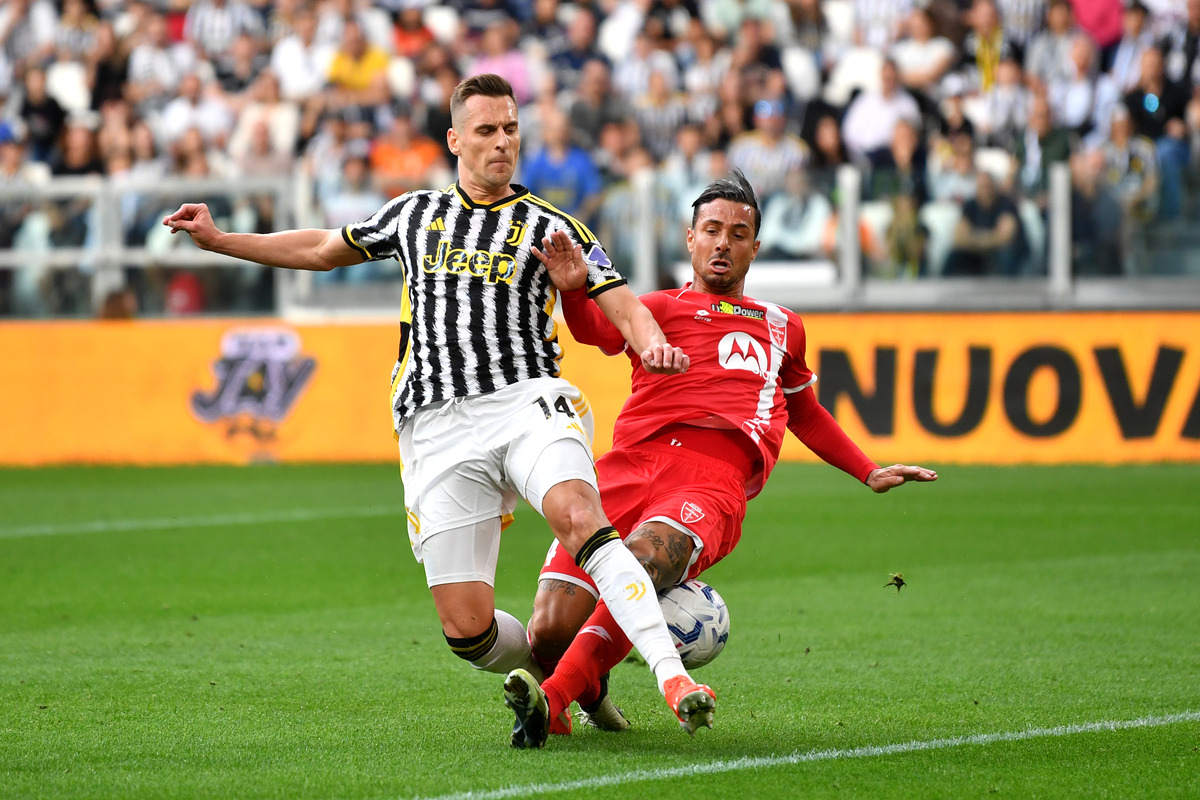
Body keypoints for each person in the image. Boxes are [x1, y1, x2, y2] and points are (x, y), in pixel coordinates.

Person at [162, 73, 715, 748]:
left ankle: (671, 678)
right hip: (435, 423)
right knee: (468, 630)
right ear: (455, 140)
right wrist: (222, 241)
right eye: (486, 131)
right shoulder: (412, 214)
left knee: (579, 516)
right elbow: (319, 249)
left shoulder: (552, 225)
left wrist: (653, 346)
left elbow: (621, 301)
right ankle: (571, 673)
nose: (502, 143)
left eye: (511, 129)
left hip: (527, 401)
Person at [503, 170, 937, 747]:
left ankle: (552, 699)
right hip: (627, 466)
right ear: (690, 238)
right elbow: (595, 335)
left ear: (755, 247)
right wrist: (576, 287)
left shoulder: (782, 326)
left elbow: (803, 410)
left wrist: (866, 468)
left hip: (710, 478)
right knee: (551, 627)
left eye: (738, 233)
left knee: (644, 559)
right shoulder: (651, 307)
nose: (723, 243)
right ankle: (592, 694)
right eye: (712, 230)